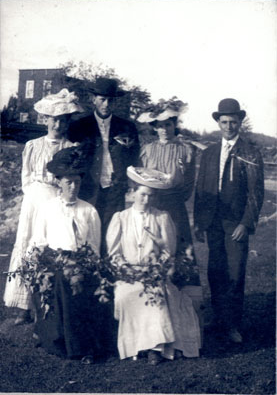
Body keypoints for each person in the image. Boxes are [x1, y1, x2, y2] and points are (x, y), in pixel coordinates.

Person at [106, 166, 201, 365]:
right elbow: (113, 254)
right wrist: (126, 269)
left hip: (154, 273)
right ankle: (136, 345)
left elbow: (169, 252)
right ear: (132, 193)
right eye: (142, 195)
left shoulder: (161, 218)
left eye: (150, 196)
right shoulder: (120, 219)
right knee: (126, 294)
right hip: (128, 273)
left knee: (155, 293)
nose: (146, 200)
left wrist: (158, 269)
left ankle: (155, 348)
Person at [3, 89, 83, 325]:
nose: (57, 124)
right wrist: (34, 196)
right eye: (53, 119)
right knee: (28, 244)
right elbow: (26, 178)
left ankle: (46, 305)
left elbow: (71, 180)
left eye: (62, 119)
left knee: (50, 247)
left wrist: (55, 199)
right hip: (33, 201)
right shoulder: (32, 145)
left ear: (67, 122)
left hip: (56, 202)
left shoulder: (71, 147)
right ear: (46, 119)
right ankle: (22, 307)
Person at [194, 98, 264, 343]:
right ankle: (218, 318)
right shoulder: (210, 152)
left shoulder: (250, 153)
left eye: (233, 122)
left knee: (234, 273)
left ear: (240, 122)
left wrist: (245, 223)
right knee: (215, 272)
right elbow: (201, 187)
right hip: (212, 222)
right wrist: (199, 223)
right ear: (218, 122)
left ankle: (233, 324)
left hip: (235, 225)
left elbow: (256, 193)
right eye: (224, 122)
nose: (228, 126)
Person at [29, 146, 105, 361]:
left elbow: (93, 246)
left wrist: (87, 264)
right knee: (61, 280)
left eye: (77, 182)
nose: (73, 187)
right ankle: (58, 339)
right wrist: (41, 262)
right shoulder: (48, 208)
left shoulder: (88, 211)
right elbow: (39, 240)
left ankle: (84, 345)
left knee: (80, 282)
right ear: (59, 182)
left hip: (81, 261)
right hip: (53, 260)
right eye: (68, 182)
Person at [138, 101, 203, 334]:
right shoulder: (147, 149)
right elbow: (141, 177)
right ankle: (155, 309)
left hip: (175, 207)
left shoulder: (186, 150)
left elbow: (188, 185)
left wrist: (173, 193)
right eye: (159, 126)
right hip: (153, 205)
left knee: (180, 252)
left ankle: (186, 309)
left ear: (175, 125)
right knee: (153, 251)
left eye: (168, 125)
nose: (164, 129)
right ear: (154, 127)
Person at [67, 77, 140, 253]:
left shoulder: (127, 127)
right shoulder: (80, 126)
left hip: (115, 190)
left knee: (112, 236)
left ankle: (108, 277)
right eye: (102, 99)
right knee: (86, 235)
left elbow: (134, 156)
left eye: (110, 100)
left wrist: (126, 182)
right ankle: (88, 277)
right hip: (87, 189)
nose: (106, 104)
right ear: (94, 99)